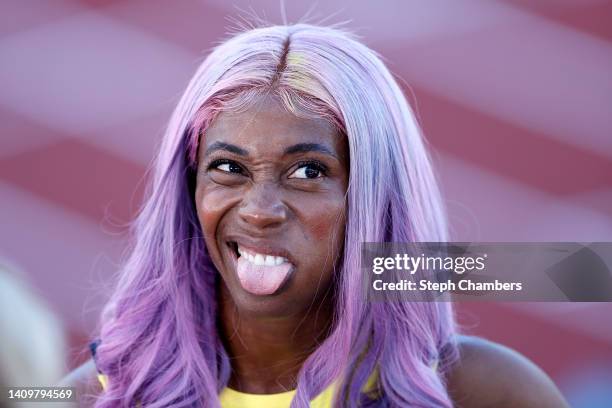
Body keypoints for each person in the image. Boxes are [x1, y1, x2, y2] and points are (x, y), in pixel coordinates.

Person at [65, 24, 569, 407]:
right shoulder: (93, 394)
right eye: (228, 168)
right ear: (189, 189)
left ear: (373, 197)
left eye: (308, 171)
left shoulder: (489, 391)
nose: (260, 211)